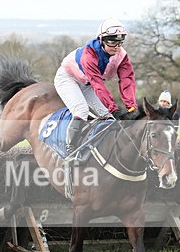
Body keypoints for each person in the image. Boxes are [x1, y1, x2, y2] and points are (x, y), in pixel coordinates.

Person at [54, 18, 138, 156]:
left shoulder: (122, 56)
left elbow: (127, 80)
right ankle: (70, 149)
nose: (117, 46)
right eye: (112, 41)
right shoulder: (89, 55)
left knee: (108, 116)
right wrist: (114, 109)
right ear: (101, 40)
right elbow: (98, 84)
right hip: (68, 79)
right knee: (81, 110)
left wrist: (131, 107)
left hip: (87, 83)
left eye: (120, 41)